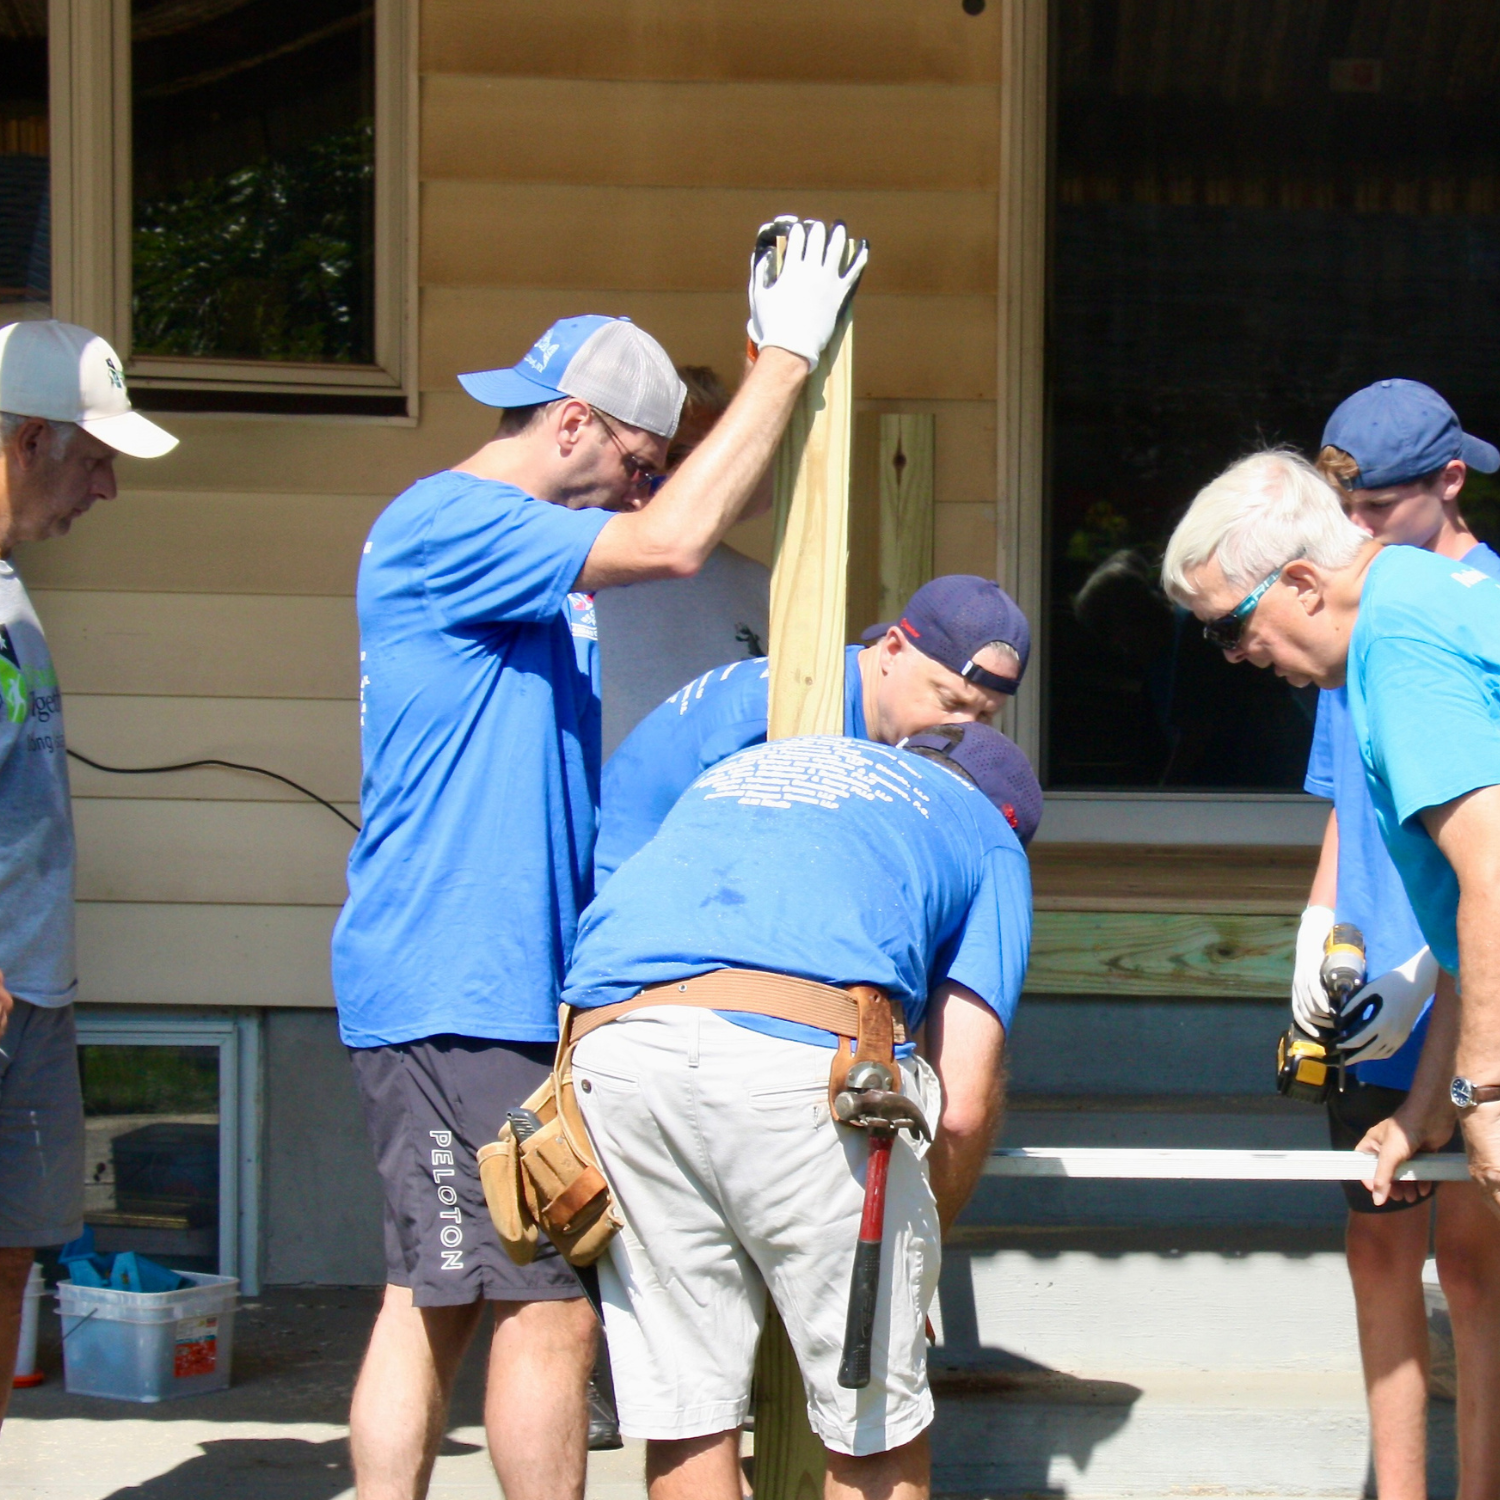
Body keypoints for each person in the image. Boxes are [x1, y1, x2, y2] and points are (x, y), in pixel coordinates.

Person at [331, 219, 867, 1500]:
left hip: (492, 983)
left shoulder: (521, 566)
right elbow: (678, 541)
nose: (642, 487)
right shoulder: (453, 522)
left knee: (437, 1295)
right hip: (453, 984)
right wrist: (784, 367)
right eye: (636, 459)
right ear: (569, 423)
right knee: (546, 1312)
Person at [561, 723, 1038, 1500]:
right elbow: (962, 1102)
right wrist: (916, 1253)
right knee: (870, 1429)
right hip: (797, 1063)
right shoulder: (989, 835)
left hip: (615, 1051)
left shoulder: (751, 764)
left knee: (690, 1413)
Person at [1159, 446, 1500, 1227]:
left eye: (1228, 629)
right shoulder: (1419, 596)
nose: (1235, 657)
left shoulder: (1402, 648)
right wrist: (1428, 1110)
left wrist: (1481, 1092)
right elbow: (1472, 924)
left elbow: (1497, 877)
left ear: (1305, 584)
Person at [1291, 381, 1500, 1500]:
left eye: (1375, 510)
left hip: (1479, 985)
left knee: (1475, 1264)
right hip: (1378, 990)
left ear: (1451, 483)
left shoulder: (1478, 607)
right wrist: (1318, 951)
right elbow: (1348, 806)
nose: (1356, 536)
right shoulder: (1354, 607)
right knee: (1380, 1248)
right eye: (1343, 516)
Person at [0, 319, 178, 1422]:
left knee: (15, 1252)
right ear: (24, 441)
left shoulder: (11, 591)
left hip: (33, 991)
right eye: (94, 459)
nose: (105, 490)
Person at [595, 574, 1029, 886]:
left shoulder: (863, 689)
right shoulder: (793, 716)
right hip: (626, 911)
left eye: (984, 716)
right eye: (950, 702)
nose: (963, 732)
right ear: (893, 650)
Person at [595, 365, 771, 756]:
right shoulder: (584, 571)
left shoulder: (760, 585)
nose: (697, 475)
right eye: (672, 457)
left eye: (709, 458)